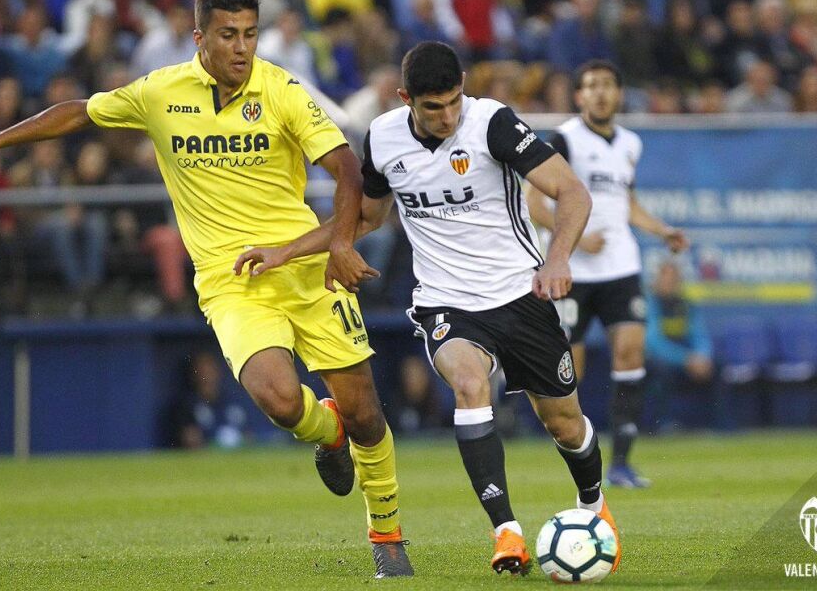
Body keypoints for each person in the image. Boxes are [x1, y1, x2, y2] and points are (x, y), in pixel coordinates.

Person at [0, 0, 412, 578]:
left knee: (366, 411)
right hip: (232, 278)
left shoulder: (283, 89)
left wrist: (339, 243)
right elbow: (79, 112)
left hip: (307, 270)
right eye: (228, 35)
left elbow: (345, 168)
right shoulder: (160, 92)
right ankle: (328, 433)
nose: (241, 47)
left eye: (250, 34)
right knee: (279, 399)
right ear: (199, 37)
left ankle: (387, 535)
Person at [236, 41, 621, 577]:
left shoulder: (492, 124)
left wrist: (557, 259)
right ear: (405, 99)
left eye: (454, 101)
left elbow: (573, 192)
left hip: (520, 294)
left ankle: (593, 504)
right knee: (469, 384)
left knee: (564, 423)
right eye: (433, 107)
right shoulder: (384, 138)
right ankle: (506, 532)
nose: (447, 116)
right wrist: (285, 251)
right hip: (446, 302)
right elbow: (364, 218)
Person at [525, 59, 689, 490]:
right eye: (591, 85)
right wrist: (575, 239)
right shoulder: (564, 139)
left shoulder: (631, 143)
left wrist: (662, 230)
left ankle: (621, 464)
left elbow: (627, 203)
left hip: (621, 266)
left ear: (618, 94)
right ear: (579, 95)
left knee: (631, 353)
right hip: (572, 271)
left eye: (607, 85)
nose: (600, 92)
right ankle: (578, 461)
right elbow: (534, 202)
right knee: (569, 371)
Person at [645, 260, 714, 431]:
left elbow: (700, 335)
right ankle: (663, 424)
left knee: (716, 367)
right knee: (661, 370)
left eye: (673, 279)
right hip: (659, 360)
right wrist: (686, 359)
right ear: (656, 280)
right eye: (665, 279)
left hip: (688, 361)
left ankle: (716, 425)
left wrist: (702, 356)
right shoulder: (650, 305)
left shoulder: (686, 305)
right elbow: (654, 343)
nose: (669, 283)